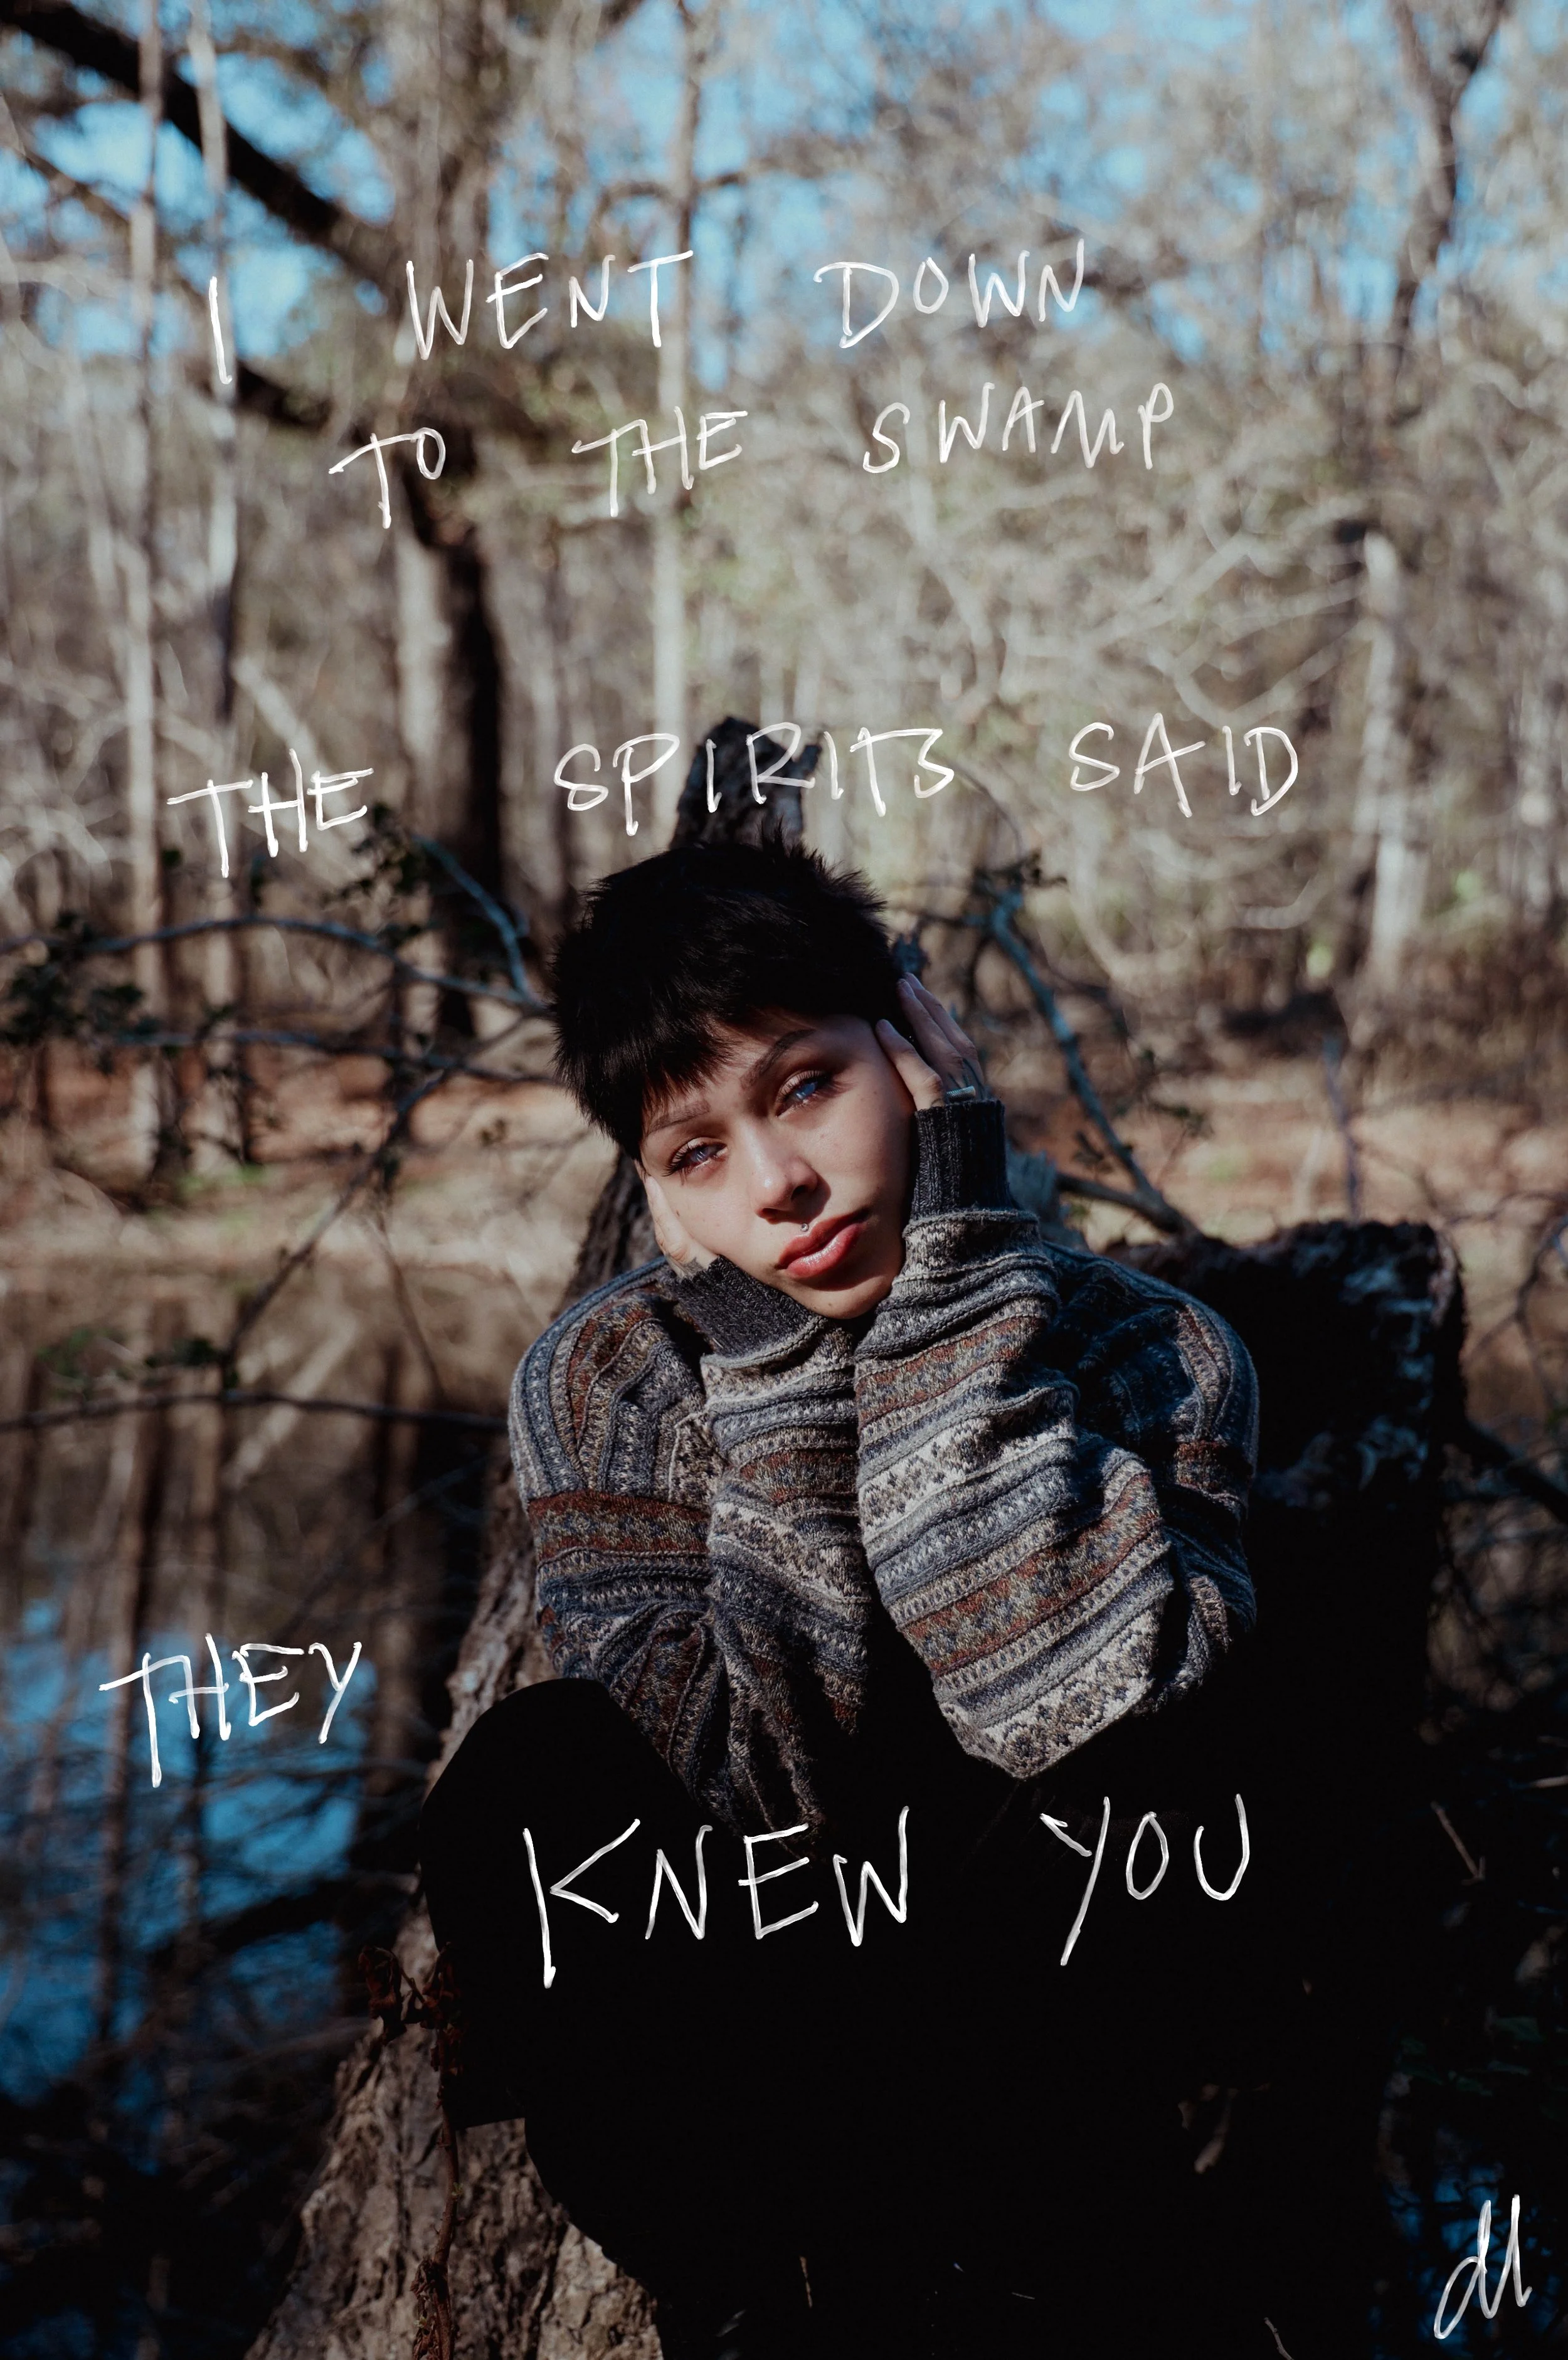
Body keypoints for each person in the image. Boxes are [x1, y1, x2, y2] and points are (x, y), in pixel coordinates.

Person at [420, 837, 1272, 2359]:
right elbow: (750, 1792)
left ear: (915, 1048)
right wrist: (767, 1370)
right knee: (533, 1773)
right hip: (759, 2016)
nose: (777, 1186)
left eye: (806, 1085)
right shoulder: (611, 1380)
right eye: (696, 1154)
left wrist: (947, 1307)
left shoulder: (1161, 1354)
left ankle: (1003, 2272)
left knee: (1163, 1760)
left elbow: (1078, 1721)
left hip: (1026, 2036)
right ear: (651, 1184)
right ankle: (751, 2291)